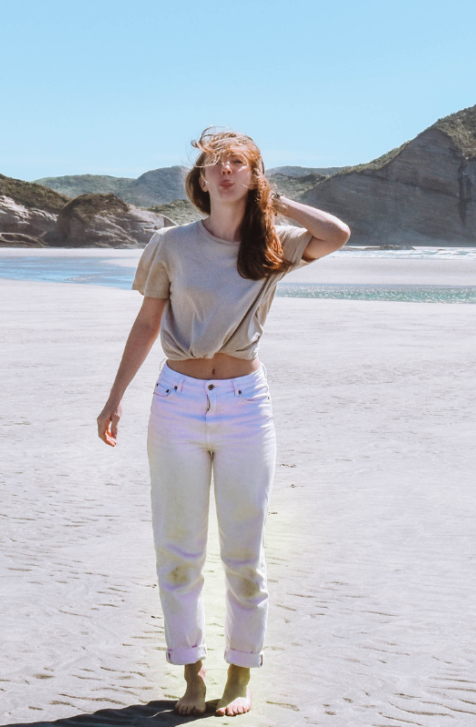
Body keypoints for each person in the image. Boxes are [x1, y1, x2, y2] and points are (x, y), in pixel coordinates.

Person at [97, 129, 350, 717]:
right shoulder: (170, 244)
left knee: (245, 552)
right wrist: (115, 399)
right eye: (217, 164)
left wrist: (275, 200)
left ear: (253, 176)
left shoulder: (276, 243)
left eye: (239, 164)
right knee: (179, 549)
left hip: (244, 405)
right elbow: (145, 323)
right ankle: (192, 671)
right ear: (201, 180)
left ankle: (241, 672)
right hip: (177, 401)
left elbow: (336, 234)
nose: (227, 171)